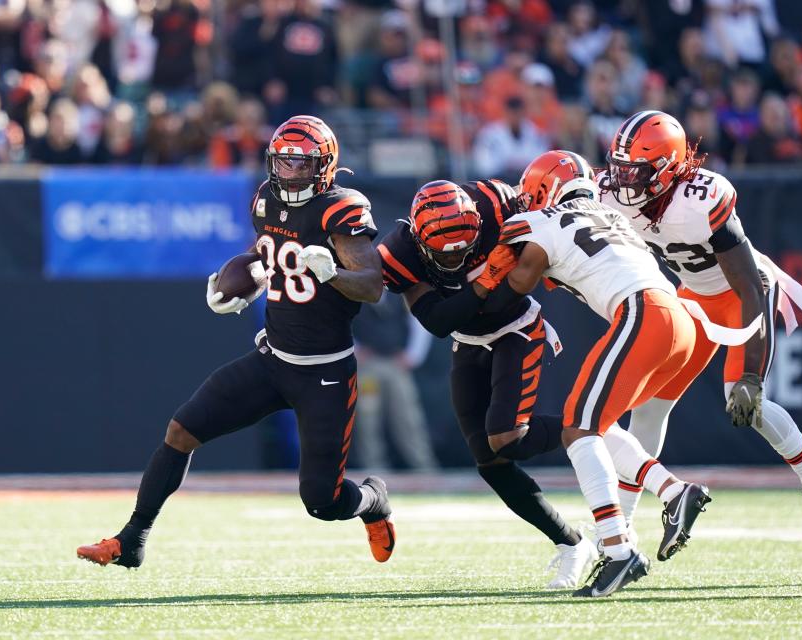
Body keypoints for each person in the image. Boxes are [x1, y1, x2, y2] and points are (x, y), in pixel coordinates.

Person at [77, 115, 395, 568]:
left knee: (322, 502)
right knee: (181, 430)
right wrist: (239, 280)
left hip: (323, 370)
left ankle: (373, 500)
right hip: (273, 358)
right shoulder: (265, 200)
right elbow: (266, 252)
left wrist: (334, 274)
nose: (288, 173)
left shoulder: (340, 209)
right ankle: (132, 538)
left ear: (323, 166)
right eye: (282, 163)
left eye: (299, 164)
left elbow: (372, 285)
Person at [480, 150, 719, 597]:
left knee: (577, 427)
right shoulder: (611, 214)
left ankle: (618, 550)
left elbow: (514, 285)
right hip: (681, 319)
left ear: (542, 190)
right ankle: (670, 493)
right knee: (596, 425)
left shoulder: (541, 221)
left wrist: (475, 295)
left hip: (644, 313)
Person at [596, 110, 802, 543]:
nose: (623, 181)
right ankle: (623, 523)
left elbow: (748, 284)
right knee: (648, 406)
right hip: (692, 296)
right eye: (620, 168)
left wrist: (750, 375)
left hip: (743, 294)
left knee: (744, 401)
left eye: (636, 171)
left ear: (667, 169)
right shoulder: (613, 194)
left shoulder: (700, 200)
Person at [376, 178, 599, 590]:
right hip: (467, 339)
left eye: (465, 250)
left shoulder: (498, 204)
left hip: (517, 326)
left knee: (507, 438)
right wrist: (483, 280)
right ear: (420, 239)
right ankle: (571, 544)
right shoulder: (400, 252)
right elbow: (440, 323)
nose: (458, 260)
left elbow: (550, 198)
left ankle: (593, 427)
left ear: (478, 224)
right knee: (490, 462)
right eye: (447, 255)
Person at [352, 295, 439, 471]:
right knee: (367, 418)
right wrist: (355, 349)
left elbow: (419, 322)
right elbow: (339, 321)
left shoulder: (397, 290)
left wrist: (413, 355)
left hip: (395, 363)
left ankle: (423, 467)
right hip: (367, 365)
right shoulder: (355, 290)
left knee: (408, 417)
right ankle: (374, 468)